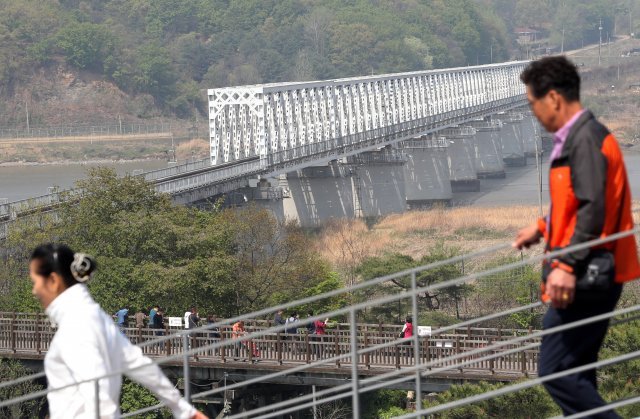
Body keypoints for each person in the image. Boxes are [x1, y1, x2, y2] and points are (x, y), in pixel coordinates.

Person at [514, 56, 640, 418]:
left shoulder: (585, 140)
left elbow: (593, 206)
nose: (534, 113)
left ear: (553, 98)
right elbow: (575, 201)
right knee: (578, 376)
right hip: (592, 272)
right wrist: (541, 227)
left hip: (588, 275)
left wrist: (567, 264)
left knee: (555, 371)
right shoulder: (580, 138)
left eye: (532, 104)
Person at [29, 243, 207, 419]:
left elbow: (98, 393)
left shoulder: (76, 323)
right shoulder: (93, 315)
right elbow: (138, 363)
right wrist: (183, 409)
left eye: (35, 282)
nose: (34, 290)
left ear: (53, 281)